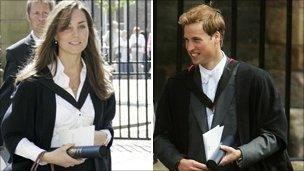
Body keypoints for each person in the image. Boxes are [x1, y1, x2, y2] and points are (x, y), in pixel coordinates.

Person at [153, 4, 293, 171]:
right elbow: (160, 137)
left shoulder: (255, 80)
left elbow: (275, 134)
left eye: (196, 40)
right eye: (186, 40)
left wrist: (242, 153)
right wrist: (178, 162)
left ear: (217, 37)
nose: (189, 48)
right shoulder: (176, 86)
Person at [1, 1, 115, 170]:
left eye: (82, 26)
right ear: (55, 34)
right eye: (67, 27)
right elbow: (13, 135)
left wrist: (103, 136)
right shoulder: (33, 83)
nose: (76, 34)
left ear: (89, 32)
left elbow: (107, 127)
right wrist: (46, 156)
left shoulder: (100, 79)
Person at [0, 0, 55, 146]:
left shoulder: (64, 47)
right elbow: (7, 96)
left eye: (45, 13)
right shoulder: (16, 52)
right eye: (36, 13)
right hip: (30, 134)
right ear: (28, 16)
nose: (41, 18)